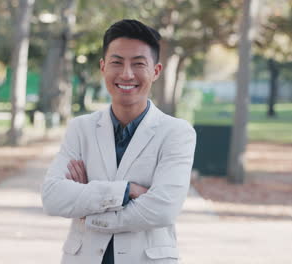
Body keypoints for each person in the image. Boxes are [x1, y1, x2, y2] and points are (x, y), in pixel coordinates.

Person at [41, 19, 196, 264]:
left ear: (155, 71)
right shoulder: (80, 128)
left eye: (138, 64)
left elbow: (163, 209)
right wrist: (128, 191)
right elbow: (53, 197)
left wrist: (89, 209)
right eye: (117, 62)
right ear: (103, 67)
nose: (126, 74)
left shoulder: (177, 132)